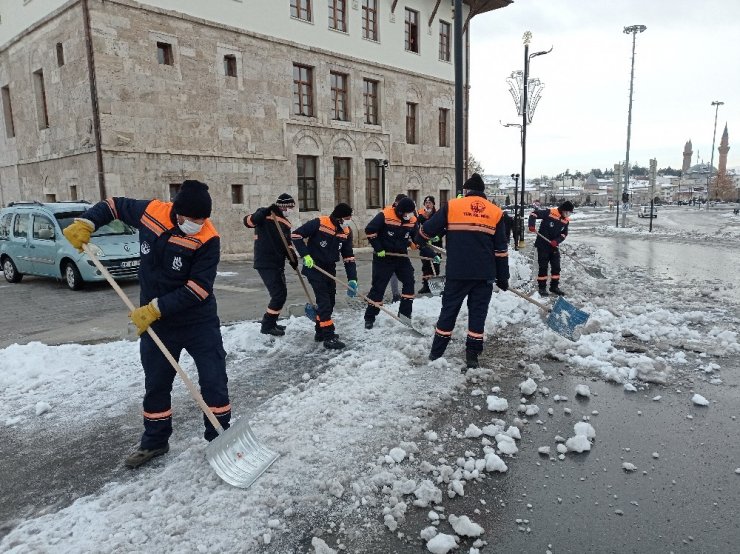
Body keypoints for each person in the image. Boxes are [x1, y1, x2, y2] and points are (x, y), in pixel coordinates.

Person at [63, 180, 231, 468]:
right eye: (193, 219)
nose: (198, 224)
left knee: (213, 381)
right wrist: (88, 222)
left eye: (202, 220)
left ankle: (220, 437)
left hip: (197, 321)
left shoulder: (208, 237)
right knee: (156, 383)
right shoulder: (151, 211)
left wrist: (156, 308)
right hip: (158, 326)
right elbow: (113, 205)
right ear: (177, 212)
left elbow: (199, 288)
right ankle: (155, 441)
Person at [415, 173, 509, 370]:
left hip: (458, 273)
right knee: (478, 314)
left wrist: (421, 239)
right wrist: (503, 277)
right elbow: (501, 250)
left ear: (466, 191)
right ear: (482, 193)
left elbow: (427, 230)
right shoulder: (496, 212)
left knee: (449, 311)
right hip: (484, 274)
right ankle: (472, 356)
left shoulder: (452, 206)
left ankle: (436, 352)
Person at [291, 203, 357, 350]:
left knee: (330, 301)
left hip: (329, 268)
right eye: (347, 217)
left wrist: (353, 279)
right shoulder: (319, 222)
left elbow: (348, 256)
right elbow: (296, 235)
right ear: (339, 217)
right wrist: (305, 255)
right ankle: (329, 336)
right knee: (324, 301)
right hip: (314, 266)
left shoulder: (346, 231)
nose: (349, 220)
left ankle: (320, 330)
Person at [363, 197, 436, 329]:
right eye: (407, 212)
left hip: (401, 256)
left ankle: (405, 314)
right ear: (400, 211)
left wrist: (432, 254)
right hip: (384, 257)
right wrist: (378, 248)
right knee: (378, 287)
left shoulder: (413, 220)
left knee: (409, 281)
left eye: (411, 212)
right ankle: (370, 317)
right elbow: (370, 230)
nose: (409, 215)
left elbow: (417, 240)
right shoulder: (385, 215)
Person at [243, 193, 297, 336]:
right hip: (266, 261)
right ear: (284, 206)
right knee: (278, 295)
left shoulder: (285, 223)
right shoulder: (266, 216)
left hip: (278, 262)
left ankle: (272, 322)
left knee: (281, 294)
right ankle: (267, 326)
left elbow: (287, 244)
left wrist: (293, 258)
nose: (291, 210)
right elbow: (248, 222)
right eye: (290, 207)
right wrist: (261, 212)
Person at [528, 200, 574, 296]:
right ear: (562, 210)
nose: (567, 215)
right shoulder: (550, 212)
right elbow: (533, 214)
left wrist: (557, 241)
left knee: (556, 267)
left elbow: (564, 234)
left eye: (569, 213)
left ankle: (554, 287)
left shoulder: (566, 221)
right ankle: (542, 288)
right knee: (543, 267)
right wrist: (531, 225)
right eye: (566, 212)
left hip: (554, 246)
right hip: (543, 245)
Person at [417, 195, 443, 295]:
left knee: (436, 263)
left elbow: (442, 228)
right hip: (425, 243)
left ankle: (436, 285)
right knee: (426, 265)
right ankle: (426, 285)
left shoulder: (437, 215)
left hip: (436, 244)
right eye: (426, 203)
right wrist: (422, 218)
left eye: (430, 203)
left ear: (433, 204)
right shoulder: (421, 215)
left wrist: (438, 236)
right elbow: (418, 226)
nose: (428, 205)